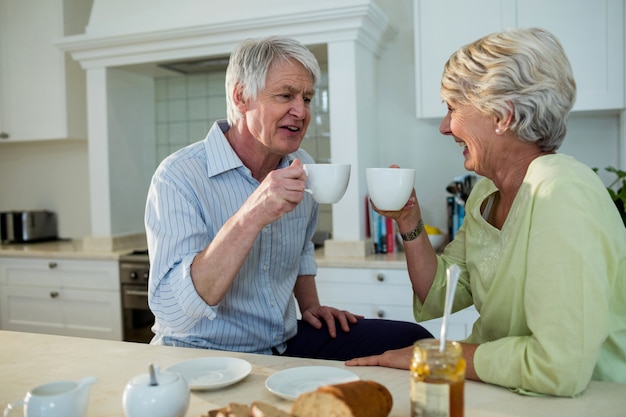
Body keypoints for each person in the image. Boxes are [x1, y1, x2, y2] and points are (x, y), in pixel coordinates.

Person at [346, 27, 626, 397]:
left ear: (502, 116)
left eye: (452, 108)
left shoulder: (562, 193)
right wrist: (409, 221)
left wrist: (437, 354)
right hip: (501, 387)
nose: (446, 127)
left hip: (584, 399)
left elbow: (558, 367)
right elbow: (439, 293)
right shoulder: (485, 193)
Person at [144, 36, 432, 360]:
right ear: (241, 97)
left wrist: (310, 306)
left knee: (416, 341)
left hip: (280, 344)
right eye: (285, 96)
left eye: (307, 98)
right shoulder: (179, 177)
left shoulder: (302, 166)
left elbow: (302, 246)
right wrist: (252, 215)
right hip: (202, 352)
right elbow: (173, 312)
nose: (301, 111)